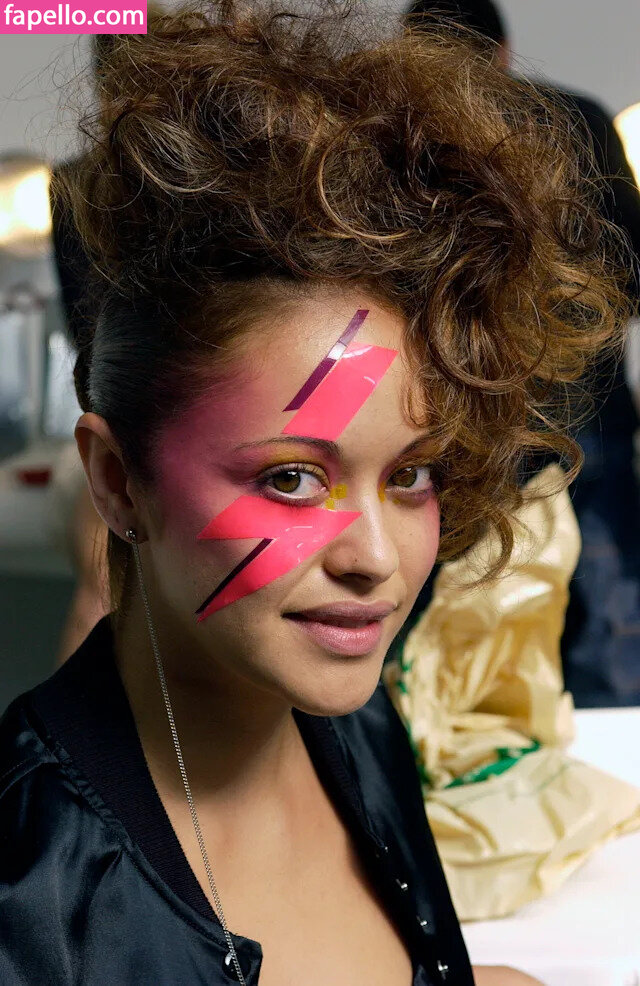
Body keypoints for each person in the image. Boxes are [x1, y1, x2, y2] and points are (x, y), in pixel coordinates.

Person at [0, 3, 627, 984]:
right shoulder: (28, 893)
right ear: (119, 481)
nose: (376, 560)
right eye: (291, 478)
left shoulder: (353, 715)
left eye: (409, 473)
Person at [404, 0, 640, 705]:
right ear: (502, 50)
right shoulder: (575, 118)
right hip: (583, 404)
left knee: (455, 599)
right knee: (605, 608)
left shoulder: (403, 126)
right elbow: (633, 264)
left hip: (455, 406)